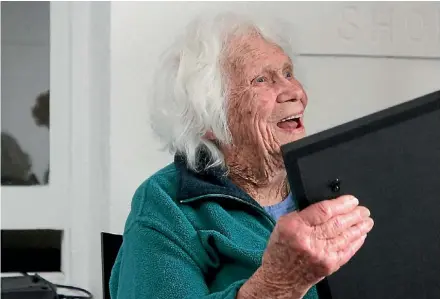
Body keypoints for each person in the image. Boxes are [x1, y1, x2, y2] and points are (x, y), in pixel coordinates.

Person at [110, 12, 374, 299]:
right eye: (261, 80)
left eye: (288, 73)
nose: (294, 92)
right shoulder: (167, 206)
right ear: (210, 119)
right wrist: (277, 285)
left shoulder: (334, 179)